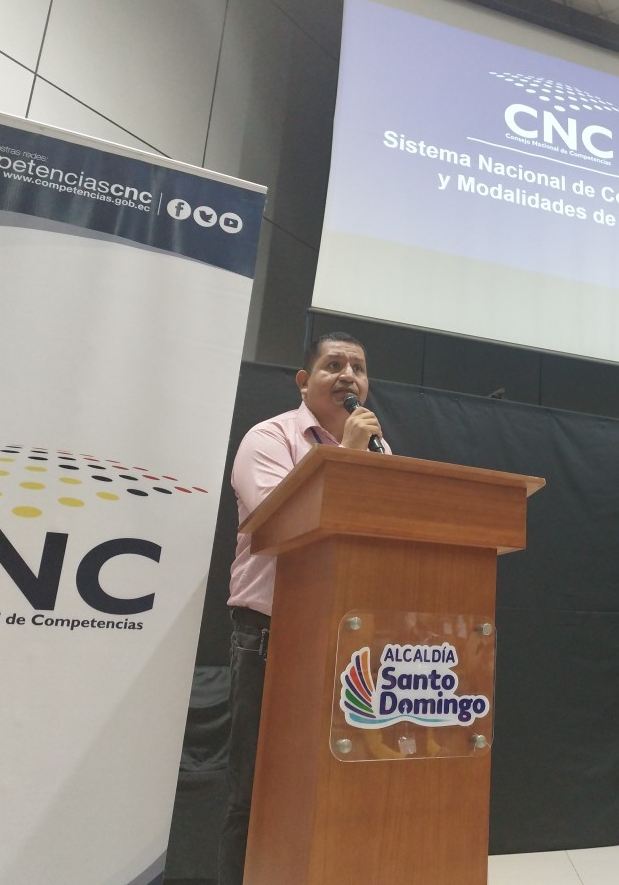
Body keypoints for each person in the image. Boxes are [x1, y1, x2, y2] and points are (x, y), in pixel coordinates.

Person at [218, 331, 389, 885]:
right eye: (333, 365)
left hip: (348, 641)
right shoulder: (269, 438)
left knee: (330, 786)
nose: (348, 375)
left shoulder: (379, 450)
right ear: (303, 380)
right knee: (258, 791)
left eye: (357, 367)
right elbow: (283, 521)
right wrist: (349, 457)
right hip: (272, 634)